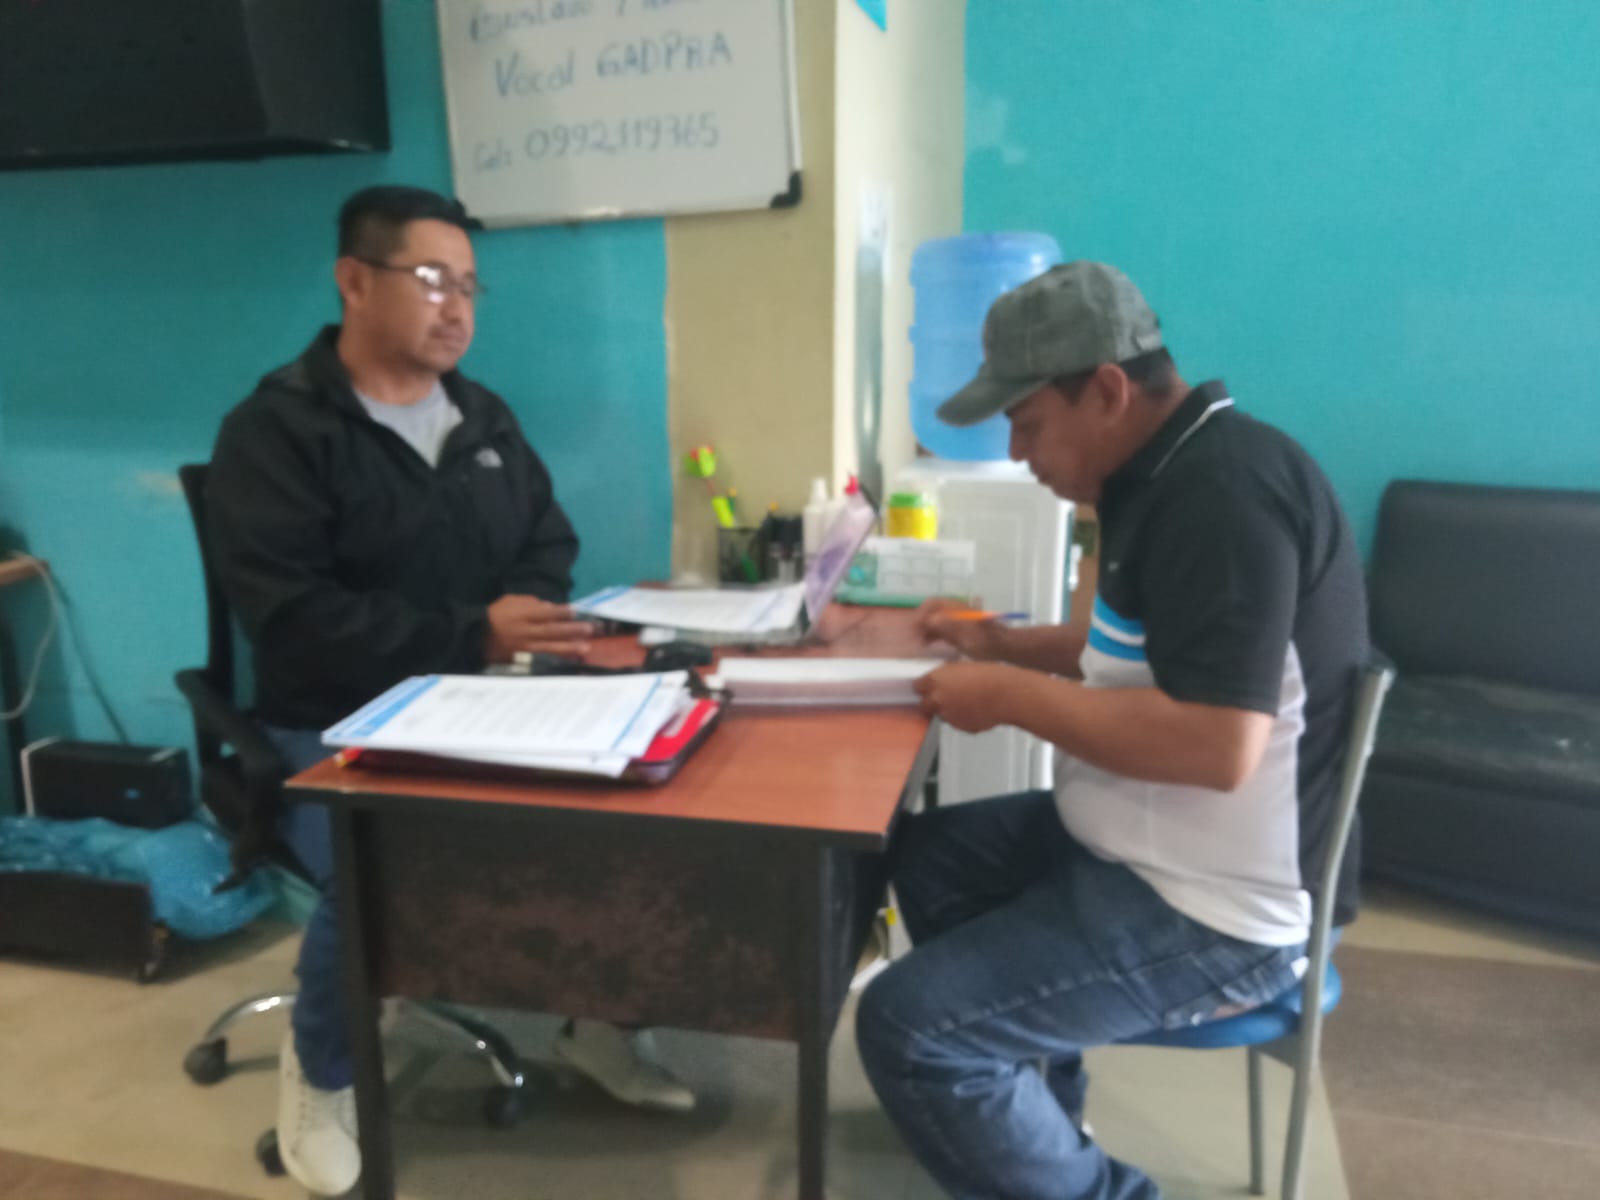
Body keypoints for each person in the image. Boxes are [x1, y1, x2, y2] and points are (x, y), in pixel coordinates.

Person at [206, 185, 694, 1198]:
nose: (458, 307)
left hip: (489, 701)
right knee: (375, 864)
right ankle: (324, 1073)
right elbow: (293, 618)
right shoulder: (278, 432)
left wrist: (526, 628)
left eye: (470, 286)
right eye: (433, 280)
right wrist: (470, 633)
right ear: (353, 281)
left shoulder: (481, 416)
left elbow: (546, 544)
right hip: (331, 721)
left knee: (631, 804)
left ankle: (599, 1026)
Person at [855, 261, 1369, 1199]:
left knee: (909, 1026)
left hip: (1222, 907)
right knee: (928, 859)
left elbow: (1215, 744)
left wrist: (1007, 693)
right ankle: (1033, 1127)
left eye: (1027, 423)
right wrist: (999, 643)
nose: (1018, 452)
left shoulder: (1224, 496)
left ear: (1105, 391)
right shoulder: (1161, 475)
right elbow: (1138, 655)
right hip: (1137, 843)